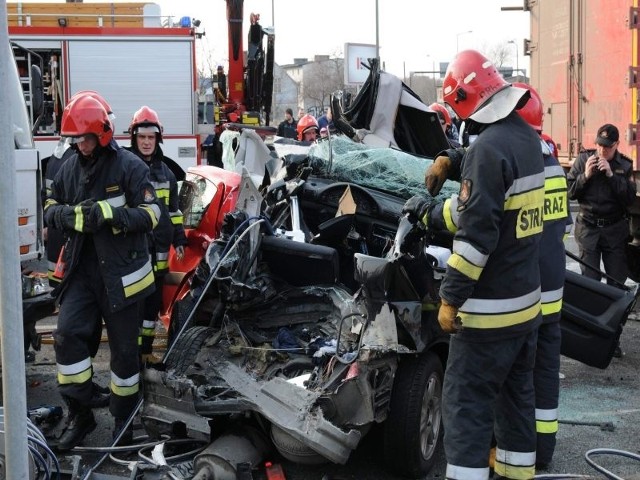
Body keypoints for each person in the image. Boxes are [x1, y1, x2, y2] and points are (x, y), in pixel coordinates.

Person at [403, 50, 544, 480]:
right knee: (517, 404)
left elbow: (476, 240)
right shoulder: (526, 139)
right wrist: (454, 159)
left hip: (487, 318)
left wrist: (449, 300)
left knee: (465, 408)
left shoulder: (489, 151)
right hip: (525, 308)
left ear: (465, 101)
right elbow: (495, 191)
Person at [44, 95, 160, 451]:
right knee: (66, 337)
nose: (80, 145)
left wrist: (111, 217)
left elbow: (152, 214)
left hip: (123, 278)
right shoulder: (69, 167)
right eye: (75, 139)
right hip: (82, 272)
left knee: (125, 358)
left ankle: (124, 421)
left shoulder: (130, 167)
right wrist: (65, 216)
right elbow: (50, 206)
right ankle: (80, 412)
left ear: (103, 133)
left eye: (85, 138)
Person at [126, 106, 187, 365]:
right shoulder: (125, 170)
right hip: (133, 254)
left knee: (151, 308)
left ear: (158, 139)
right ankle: (129, 355)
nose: (147, 142)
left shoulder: (168, 174)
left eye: (151, 138)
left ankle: (145, 352)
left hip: (159, 257)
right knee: (132, 308)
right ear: (134, 139)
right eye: (142, 138)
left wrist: (180, 239)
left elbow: (174, 213)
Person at [566, 123, 636, 287]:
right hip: (588, 228)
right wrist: (585, 176)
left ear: (616, 145)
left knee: (617, 281)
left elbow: (629, 199)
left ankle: (616, 313)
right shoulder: (584, 159)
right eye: (599, 145)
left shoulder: (624, 165)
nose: (602, 150)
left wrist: (612, 176)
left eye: (607, 146)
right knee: (590, 283)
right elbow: (570, 192)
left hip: (614, 231)